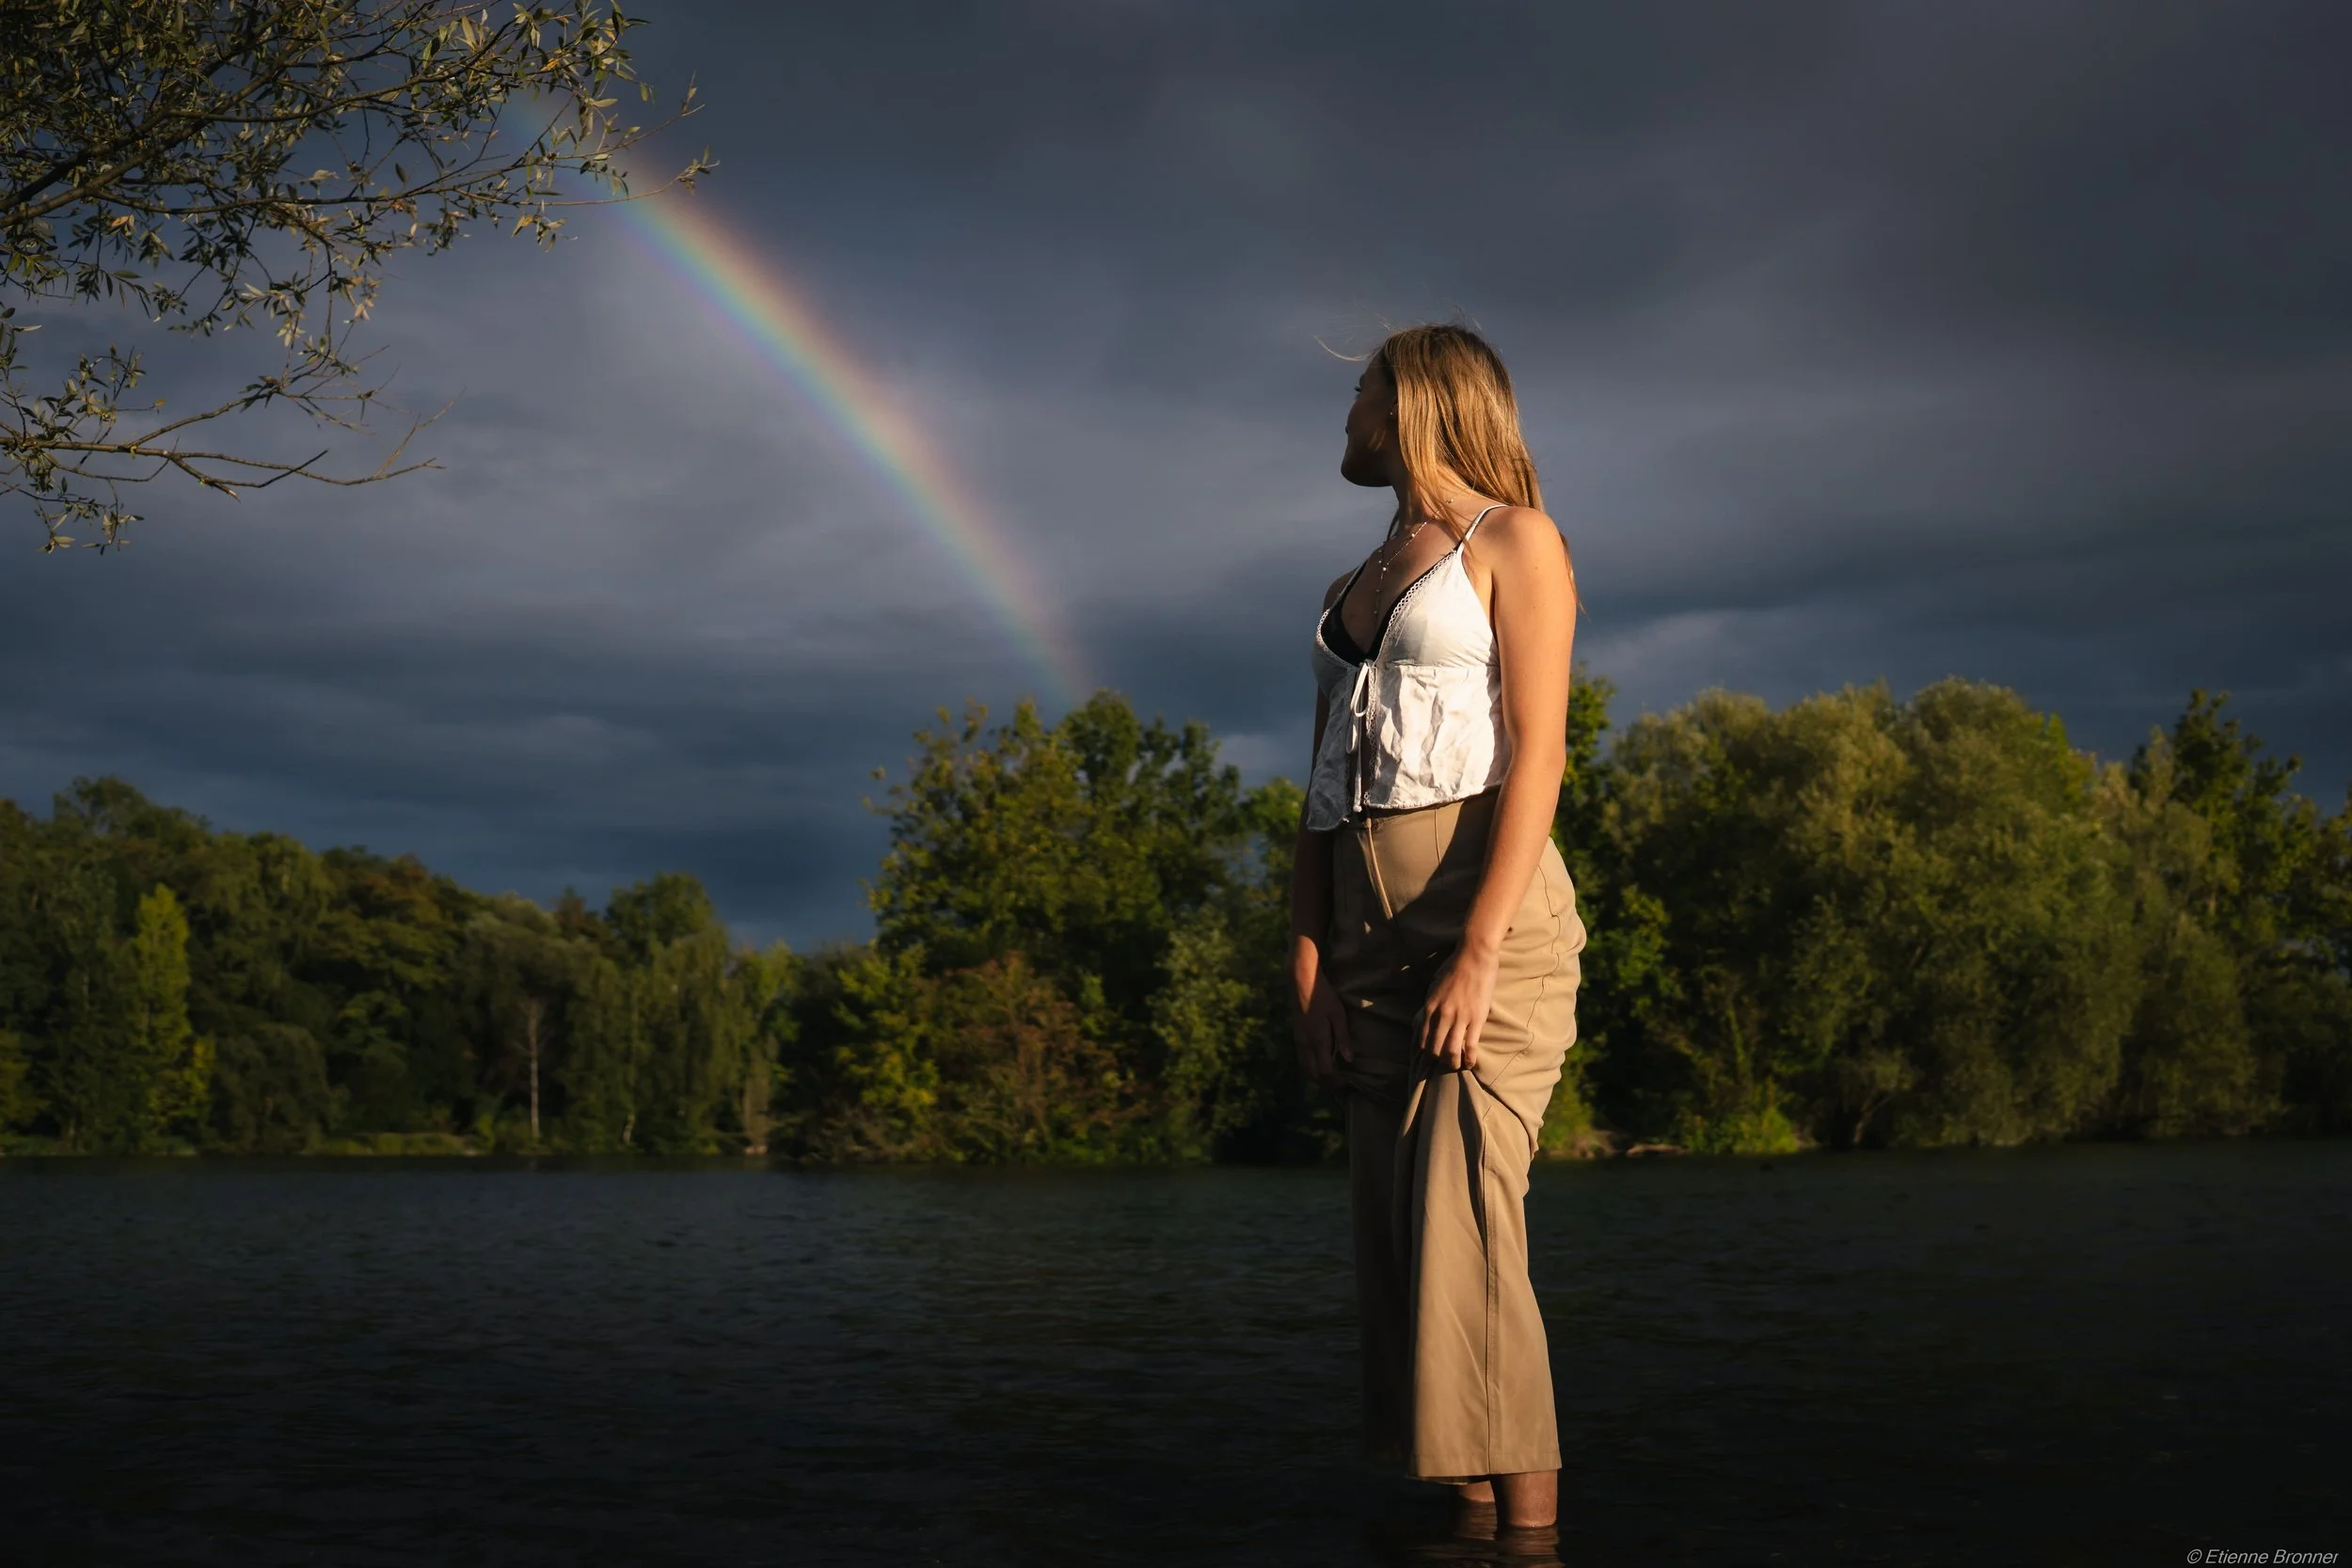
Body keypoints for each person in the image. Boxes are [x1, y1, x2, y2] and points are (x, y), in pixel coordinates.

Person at [1289, 322, 1586, 1533]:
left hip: (1489, 943)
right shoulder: (1344, 587)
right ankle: (1468, 1535)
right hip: (1365, 959)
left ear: (1413, 400)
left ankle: (1532, 1544)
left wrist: (1477, 951)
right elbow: (1318, 788)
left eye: (1358, 389)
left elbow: (1540, 754)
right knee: (1404, 1267)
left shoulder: (1515, 541)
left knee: (1469, 1248)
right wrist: (1307, 966)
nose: (1345, 413)